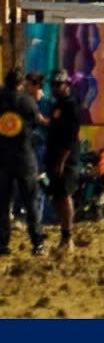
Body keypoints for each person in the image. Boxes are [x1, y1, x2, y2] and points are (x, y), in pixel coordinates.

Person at [0, 68, 45, 256]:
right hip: (24, 157)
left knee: (2, 203)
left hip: (2, 158)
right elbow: (36, 123)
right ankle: (37, 243)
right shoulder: (28, 101)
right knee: (31, 201)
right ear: (20, 84)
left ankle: (2, 244)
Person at [45, 70, 82, 251]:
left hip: (66, 158)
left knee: (65, 195)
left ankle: (68, 238)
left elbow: (70, 137)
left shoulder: (71, 106)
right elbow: (53, 127)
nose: (54, 88)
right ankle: (63, 233)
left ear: (66, 84)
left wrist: (61, 161)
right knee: (57, 196)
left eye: (58, 84)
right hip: (54, 156)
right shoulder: (57, 105)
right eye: (52, 84)